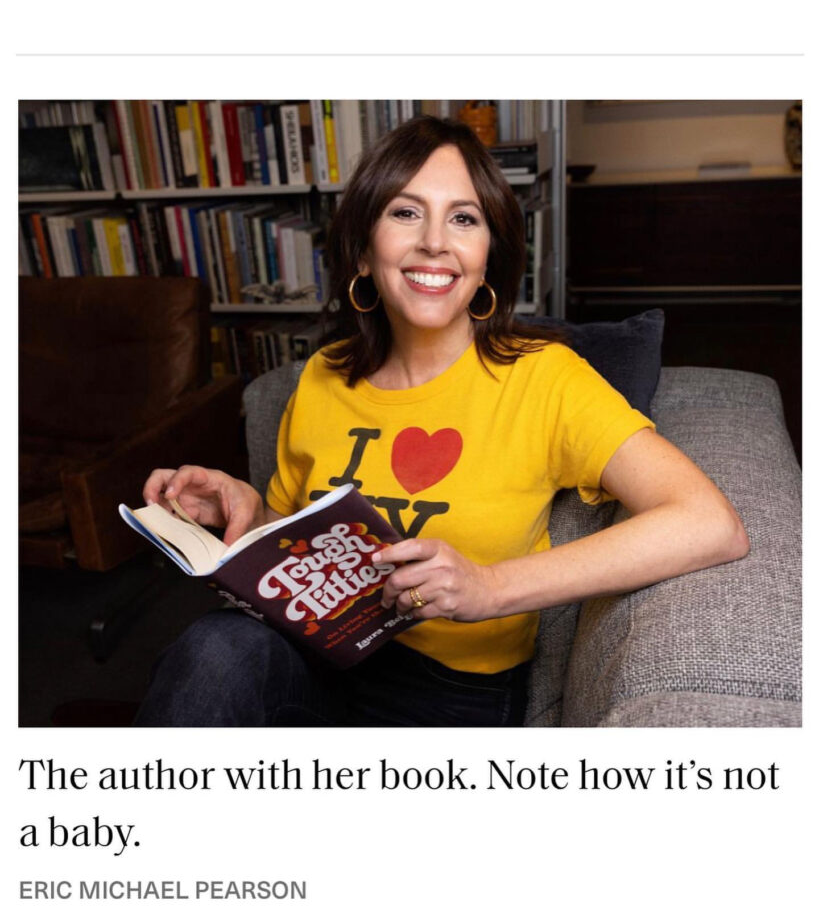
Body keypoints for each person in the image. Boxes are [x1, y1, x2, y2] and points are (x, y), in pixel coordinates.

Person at [134, 116, 749, 727]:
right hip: (317, 658)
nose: (435, 241)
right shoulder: (321, 375)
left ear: (489, 255)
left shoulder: (544, 378)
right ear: (364, 250)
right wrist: (240, 511)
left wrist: (490, 587)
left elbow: (709, 524)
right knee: (215, 647)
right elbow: (302, 554)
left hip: (450, 689)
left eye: (464, 218)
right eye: (405, 213)